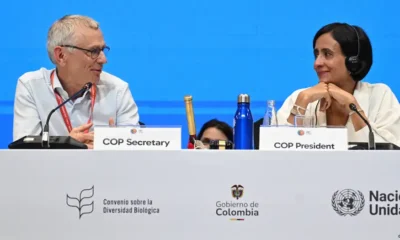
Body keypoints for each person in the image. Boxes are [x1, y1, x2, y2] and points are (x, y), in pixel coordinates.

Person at [13, 15, 139, 148]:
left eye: (103, 50)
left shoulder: (118, 90)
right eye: (93, 51)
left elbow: (136, 150)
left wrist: (115, 145)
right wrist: (67, 145)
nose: (103, 60)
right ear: (61, 55)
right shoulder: (31, 86)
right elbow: (24, 151)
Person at [276, 22, 400, 147]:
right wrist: (301, 103)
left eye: (327, 54)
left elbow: (392, 151)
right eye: (316, 54)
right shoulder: (301, 96)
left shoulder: (379, 95)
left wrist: (351, 104)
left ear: (353, 62)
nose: (316, 63)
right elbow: (274, 148)